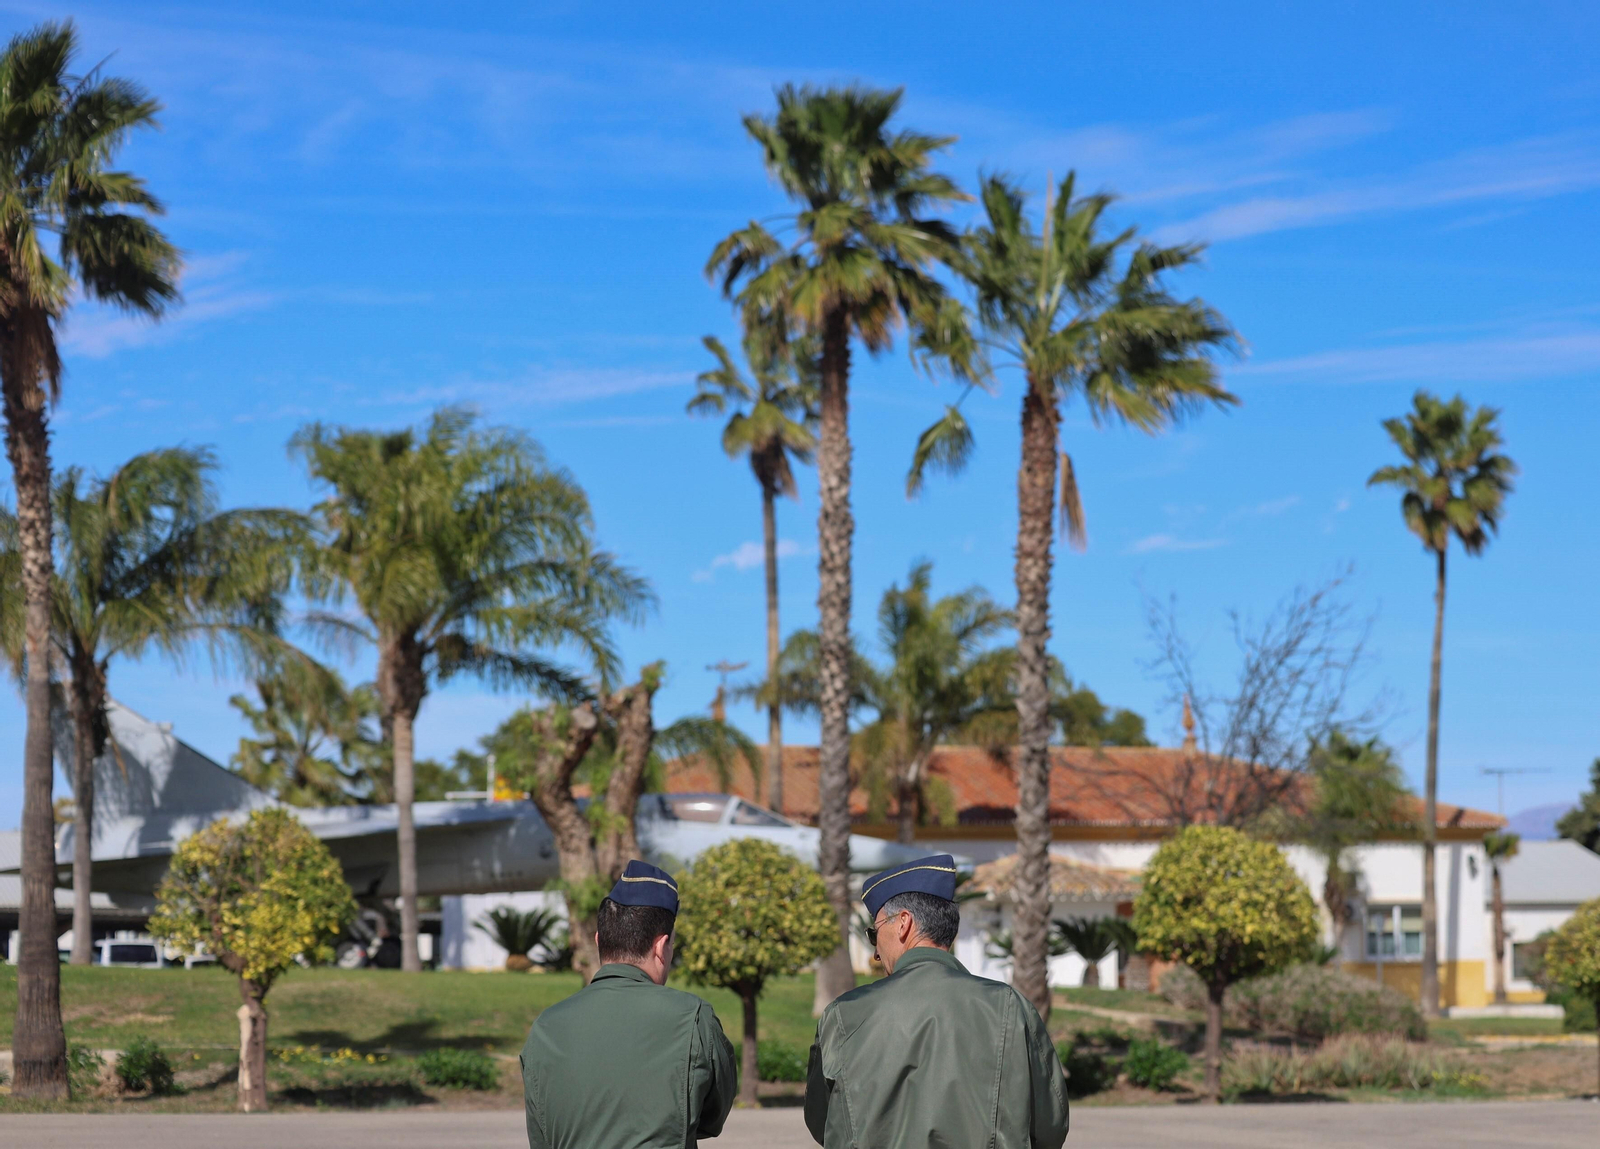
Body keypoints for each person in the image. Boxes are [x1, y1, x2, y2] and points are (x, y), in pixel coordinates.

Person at [804, 854, 1070, 1149]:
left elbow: (821, 1121)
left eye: (874, 934)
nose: (876, 953)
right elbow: (1051, 1125)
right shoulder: (1009, 1007)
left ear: (903, 923)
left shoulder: (844, 1015)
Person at [520, 860, 737, 1149]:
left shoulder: (545, 1028)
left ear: (599, 941)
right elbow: (711, 1119)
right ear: (661, 947)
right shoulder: (693, 1018)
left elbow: (541, 1138)